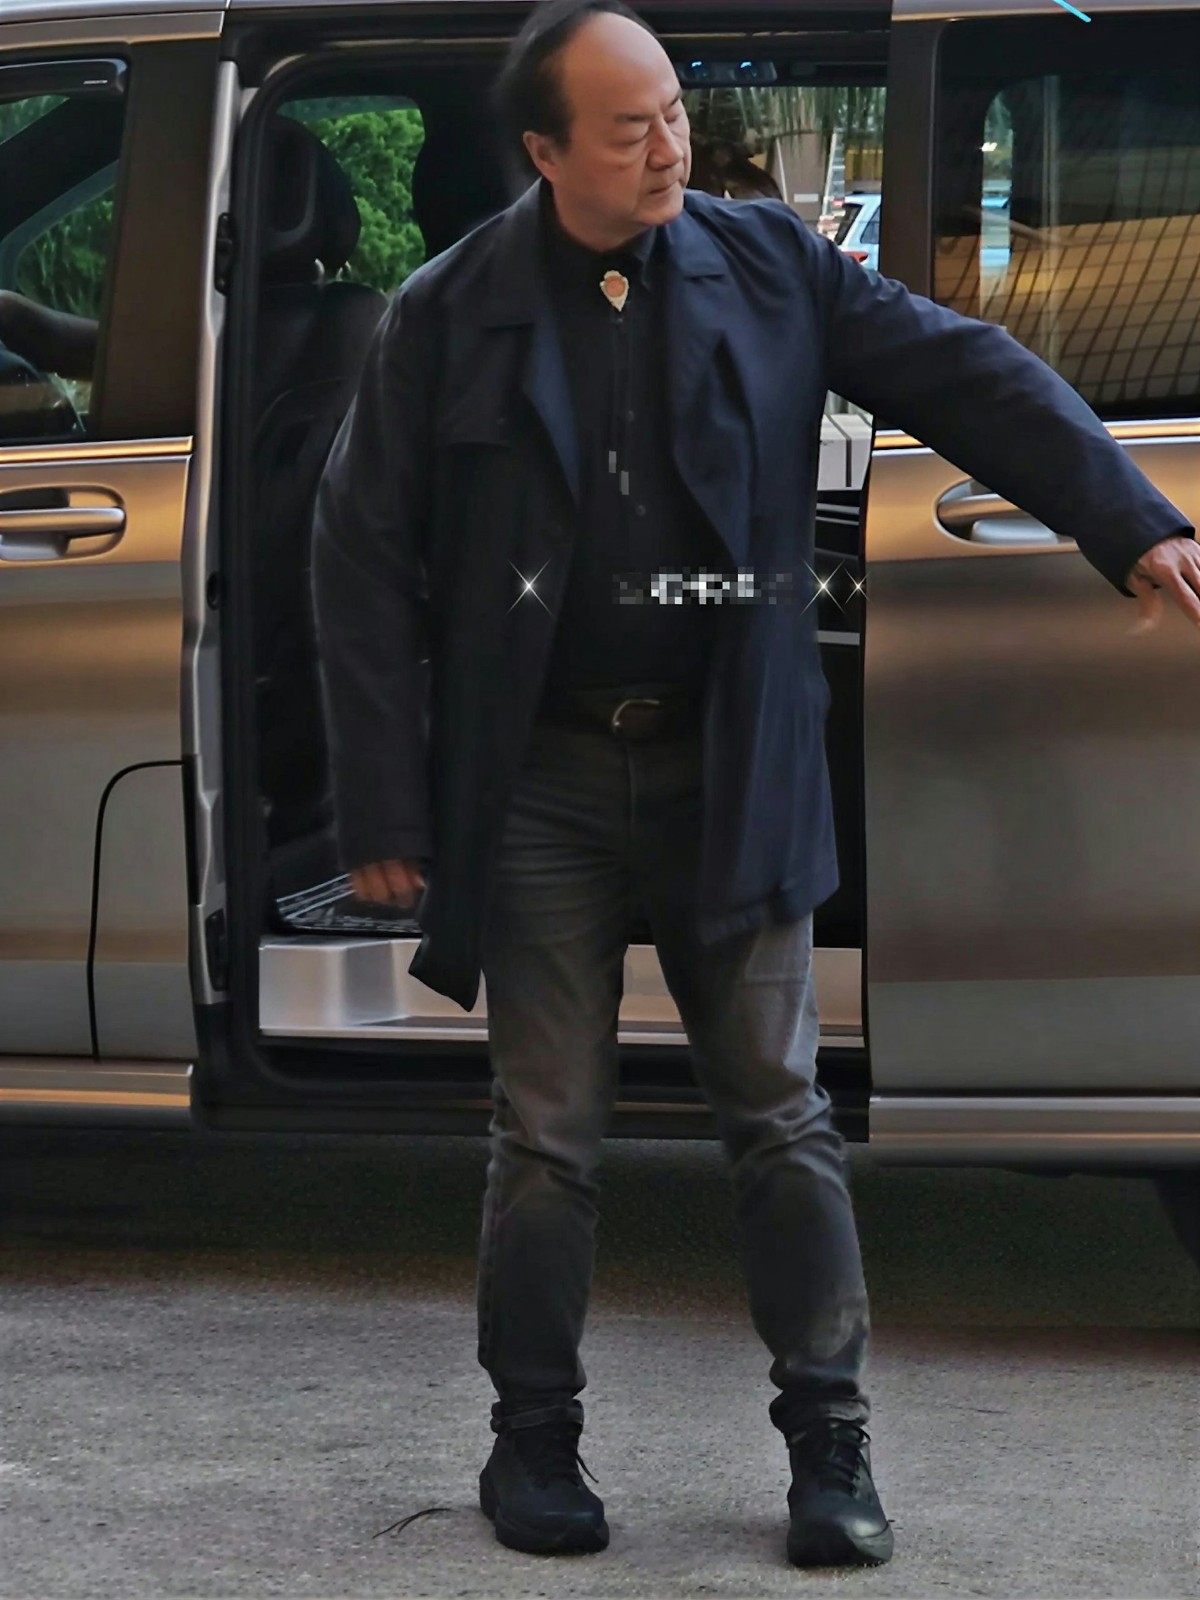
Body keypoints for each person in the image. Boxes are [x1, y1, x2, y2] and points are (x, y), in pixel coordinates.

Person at [310, 0, 1199, 1570]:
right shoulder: (450, 311)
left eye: (673, 111)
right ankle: (533, 1440)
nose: (670, 146)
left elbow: (965, 370)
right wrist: (383, 810)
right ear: (544, 152)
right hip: (541, 780)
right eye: (630, 127)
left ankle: (830, 1445)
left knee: (781, 1116)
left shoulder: (768, 263)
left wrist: (1125, 516)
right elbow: (359, 555)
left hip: (732, 757)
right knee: (546, 1132)